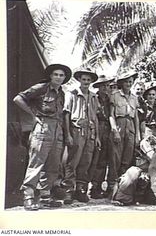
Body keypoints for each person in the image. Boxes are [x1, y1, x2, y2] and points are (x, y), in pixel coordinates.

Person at [13, 64, 72, 210]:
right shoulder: (42, 88)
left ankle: (45, 196)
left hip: (57, 129)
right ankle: (28, 196)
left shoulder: (62, 93)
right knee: (36, 163)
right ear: (51, 76)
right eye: (56, 74)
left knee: (53, 165)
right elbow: (18, 99)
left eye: (61, 75)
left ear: (64, 78)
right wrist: (33, 116)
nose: (58, 77)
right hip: (43, 127)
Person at [62, 68, 100, 204]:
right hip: (76, 131)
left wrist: (97, 137)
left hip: (90, 132)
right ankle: (68, 191)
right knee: (73, 161)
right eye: (84, 79)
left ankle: (80, 189)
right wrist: (68, 135)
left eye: (88, 80)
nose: (86, 82)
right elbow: (66, 114)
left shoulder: (93, 96)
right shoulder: (71, 94)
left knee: (86, 162)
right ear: (79, 80)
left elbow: (95, 117)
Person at [108, 71, 141, 194]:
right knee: (115, 157)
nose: (129, 84)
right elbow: (111, 114)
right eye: (126, 81)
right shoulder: (115, 95)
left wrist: (137, 135)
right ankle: (112, 185)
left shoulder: (134, 98)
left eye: (131, 82)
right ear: (121, 83)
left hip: (130, 126)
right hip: (119, 125)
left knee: (127, 157)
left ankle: (123, 187)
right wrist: (114, 130)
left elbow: (136, 117)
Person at [89, 75, 114, 199]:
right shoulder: (94, 98)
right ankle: (94, 186)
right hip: (98, 126)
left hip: (108, 128)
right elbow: (94, 116)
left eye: (107, 85)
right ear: (98, 87)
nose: (105, 87)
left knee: (106, 158)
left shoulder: (109, 99)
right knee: (97, 158)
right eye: (103, 85)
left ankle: (102, 186)